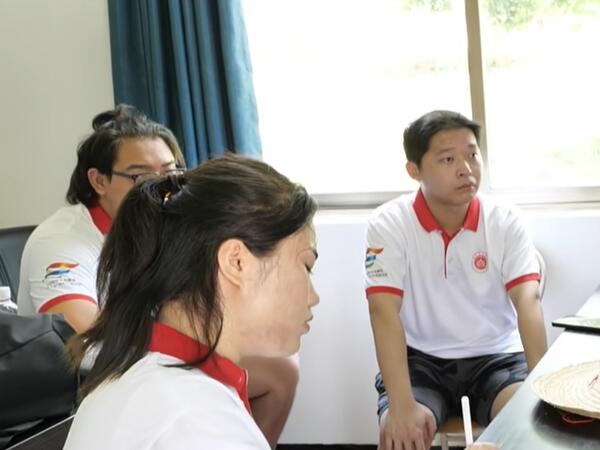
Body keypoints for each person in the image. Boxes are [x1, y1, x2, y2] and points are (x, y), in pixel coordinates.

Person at [17, 105, 300, 448]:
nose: (160, 186)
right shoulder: (61, 242)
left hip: (151, 355)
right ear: (99, 181)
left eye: (170, 172)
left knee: (279, 364)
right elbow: (83, 337)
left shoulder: (164, 228)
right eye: (140, 177)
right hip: (94, 375)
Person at [63, 154, 319, 449]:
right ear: (236, 262)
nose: (314, 297)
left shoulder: (143, 375)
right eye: (306, 266)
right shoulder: (199, 423)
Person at [365, 110, 547, 450]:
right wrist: (401, 408)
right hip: (420, 360)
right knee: (400, 436)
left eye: (472, 154)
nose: (466, 168)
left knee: (531, 426)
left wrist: (541, 387)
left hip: (498, 356)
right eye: (448, 159)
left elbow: (528, 300)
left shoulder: (504, 219)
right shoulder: (389, 223)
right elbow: (382, 311)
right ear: (414, 170)